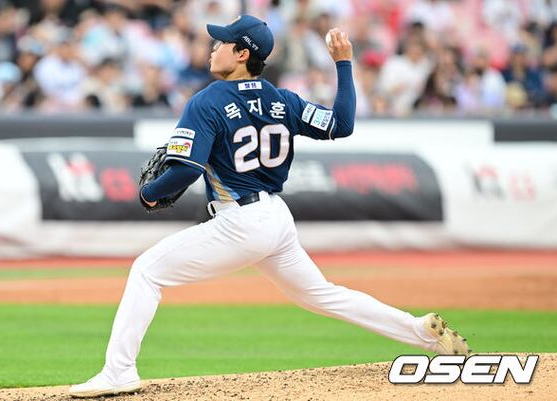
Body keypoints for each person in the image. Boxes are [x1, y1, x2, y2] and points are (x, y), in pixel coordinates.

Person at [68, 15, 469, 398]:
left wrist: (149, 193)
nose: (213, 48)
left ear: (242, 54)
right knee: (321, 294)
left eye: (222, 43)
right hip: (275, 218)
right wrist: (343, 64)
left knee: (146, 271)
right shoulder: (282, 99)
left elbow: (186, 169)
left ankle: (119, 371)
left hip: (240, 222)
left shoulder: (207, 101)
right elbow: (341, 124)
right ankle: (419, 332)